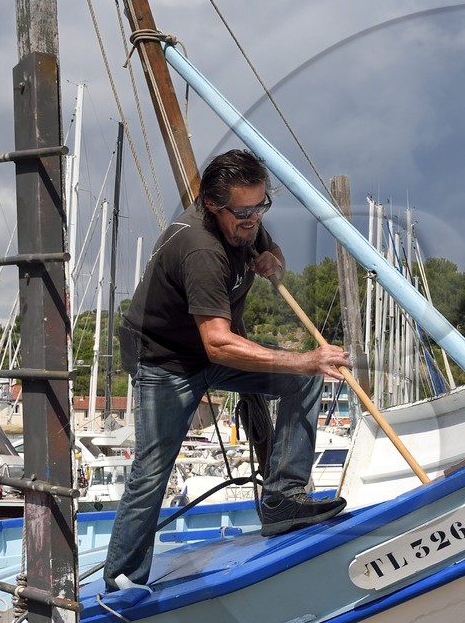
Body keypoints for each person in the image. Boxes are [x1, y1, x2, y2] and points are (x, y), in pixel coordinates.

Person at [103, 149, 350, 596]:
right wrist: (308, 357)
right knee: (152, 470)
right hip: (165, 360)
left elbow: (264, 245)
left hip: (213, 351)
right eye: (243, 212)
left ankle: (282, 501)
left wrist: (273, 257)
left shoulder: (243, 220)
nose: (253, 219)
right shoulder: (201, 249)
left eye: (261, 207)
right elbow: (217, 343)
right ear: (213, 206)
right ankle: (122, 583)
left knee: (305, 379)